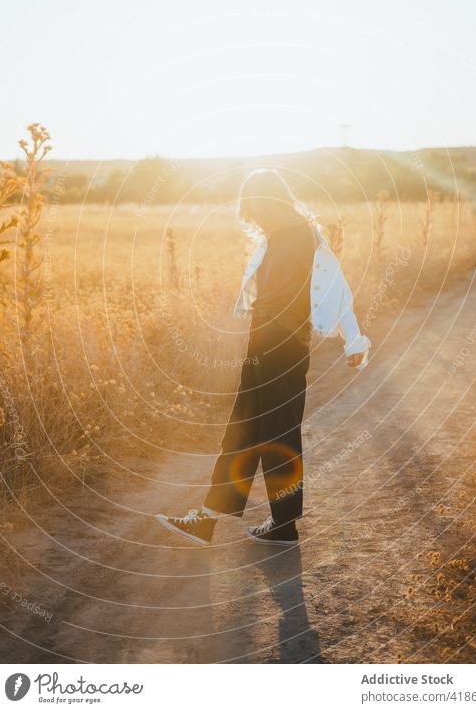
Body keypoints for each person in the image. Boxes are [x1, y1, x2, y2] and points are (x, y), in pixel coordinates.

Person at [156, 169, 370, 547]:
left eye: (254, 210)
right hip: (276, 345)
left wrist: (353, 338)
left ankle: (208, 520)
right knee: (272, 431)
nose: (254, 219)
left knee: (248, 430)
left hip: (275, 347)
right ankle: (281, 524)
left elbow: (335, 287)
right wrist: (351, 338)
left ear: (267, 203)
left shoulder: (296, 236)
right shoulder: (290, 235)